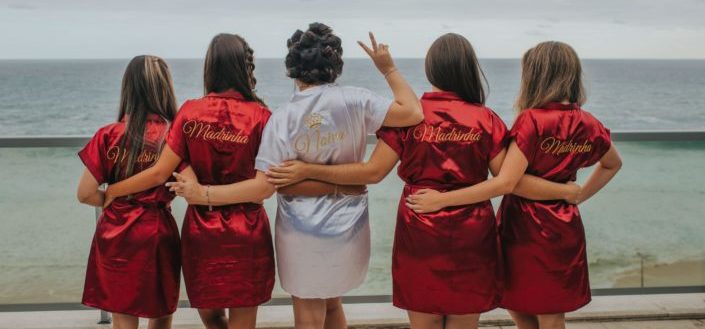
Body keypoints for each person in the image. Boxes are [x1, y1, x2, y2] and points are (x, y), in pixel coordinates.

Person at [264, 33, 578, 329]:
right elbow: (509, 180)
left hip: (419, 227)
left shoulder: (411, 119)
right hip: (473, 233)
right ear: (470, 69)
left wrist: (308, 169)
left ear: (430, 70)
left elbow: (372, 172)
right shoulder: (487, 119)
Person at [166, 23, 423, 329]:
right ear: (335, 67)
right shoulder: (357, 100)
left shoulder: (282, 118)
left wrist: (306, 173)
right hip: (348, 224)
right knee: (332, 303)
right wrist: (388, 68)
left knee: (309, 310)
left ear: (292, 69)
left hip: (300, 229)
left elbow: (274, 184)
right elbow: (413, 112)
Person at [408, 41, 622, 329]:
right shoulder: (589, 123)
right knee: (543, 308)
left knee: (527, 306)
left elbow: (508, 182)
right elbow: (612, 163)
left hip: (524, 226)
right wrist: (574, 195)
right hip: (564, 224)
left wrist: (442, 200)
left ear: (535, 76)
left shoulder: (532, 122)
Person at [103, 34, 275, 329]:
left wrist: (113, 191)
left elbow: (161, 171)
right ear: (246, 69)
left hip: (202, 232)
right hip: (247, 230)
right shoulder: (262, 116)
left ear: (209, 68)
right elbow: (265, 187)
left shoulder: (189, 112)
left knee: (212, 317)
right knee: (244, 321)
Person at [76, 55, 181, 329]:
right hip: (157, 230)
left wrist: (112, 196)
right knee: (160, 311)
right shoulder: (173, 136)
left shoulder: (108, 135)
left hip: (116, 232)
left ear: (128, 89)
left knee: (123, 315)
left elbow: (85, 193)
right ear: (165, 89)